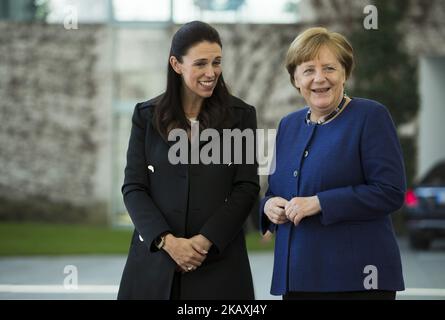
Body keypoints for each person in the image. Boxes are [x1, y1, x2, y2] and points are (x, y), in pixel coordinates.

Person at [260, 27, 406, 300]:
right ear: (295, 78)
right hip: (297, 280)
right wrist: (268, 206)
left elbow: (390, 192)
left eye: (329, 68)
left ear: (344, 73)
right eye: (308, 70)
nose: (319, 78)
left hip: (356, 281)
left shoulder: (370, 116)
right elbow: (274, 191)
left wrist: (319, 202)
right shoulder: (288, 125)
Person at [117, 21, 259, 300]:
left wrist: (204, 242)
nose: (211, 72)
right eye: (201, 63)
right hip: (153, 266)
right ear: (176, 64)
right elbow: (133, 187)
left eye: (217, 62)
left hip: (220, 266)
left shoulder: (241, 116)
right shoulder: (145, 116)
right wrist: (167, 242)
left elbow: (246, 187)